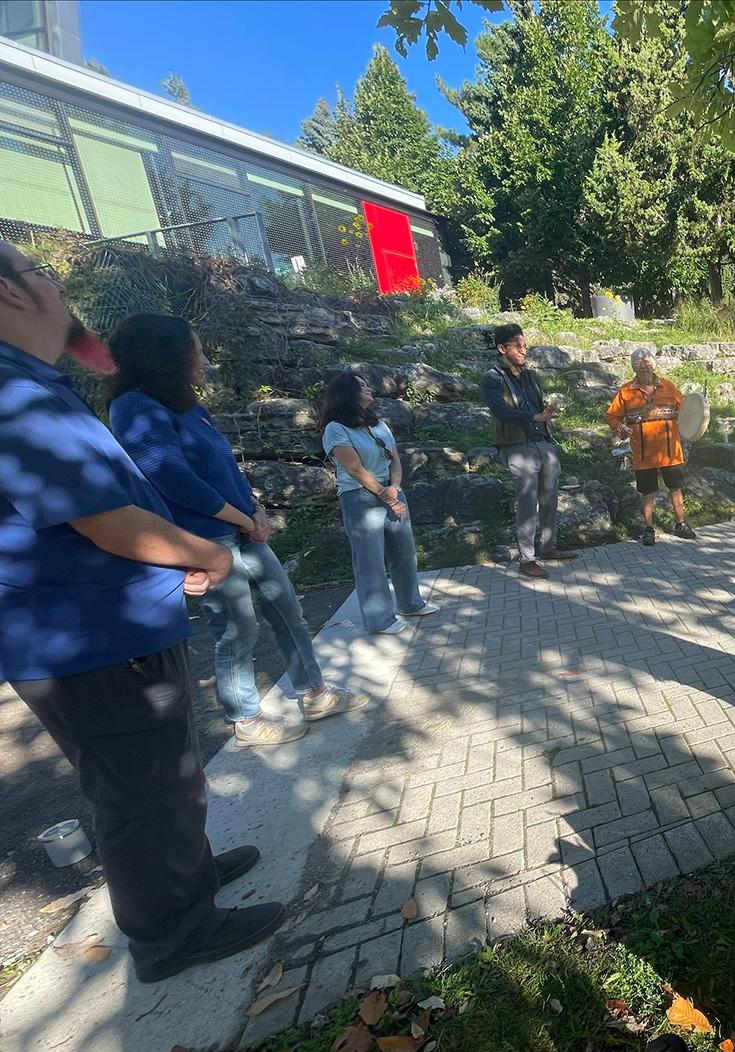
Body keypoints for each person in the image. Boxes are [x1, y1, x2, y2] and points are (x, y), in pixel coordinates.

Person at [0, 241, 285, 982]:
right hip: (89, 640)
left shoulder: (35, 384)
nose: (59, 287)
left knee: (168, 774)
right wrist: (206, 553)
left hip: (106, 629)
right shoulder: (16, 394)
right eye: (42, 274)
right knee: (139, 788)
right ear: (9, 297)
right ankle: (171, 932)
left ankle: (187, 878)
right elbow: (101, 516)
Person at [108, 313, 370, 748]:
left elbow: (224, 466)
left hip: (243, 528)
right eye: (195, 349)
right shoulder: (135, 406)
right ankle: (245, 719)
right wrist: (241, 518)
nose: (203, 358)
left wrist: (256, 508)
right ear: (165, 356)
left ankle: (315, 694)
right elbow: (170, 476)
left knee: (287, 608)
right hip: (205, 538)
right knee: (235, 627)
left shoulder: (186, 404)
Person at [318, 372, 436, 632]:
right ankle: (379, 620)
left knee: (404, 551)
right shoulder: (336, 428)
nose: (369, 388)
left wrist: (394, 487)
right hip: (359, 497)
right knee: (370, 559)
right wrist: (385, 494)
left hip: (391, 492)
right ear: (347, 393)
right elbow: (354, 468)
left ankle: (411, 603)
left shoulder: (378, 424)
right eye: (361, 386)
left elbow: (394, 458)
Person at [481, 323, 578, 578]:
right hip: (517, 446)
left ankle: (548, 547)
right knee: (527, 502)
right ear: (502, 348)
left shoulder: (530, 376)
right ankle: (527, 559)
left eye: (525, 345)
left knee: (549, 498)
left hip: (543, 442)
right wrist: (536, 416)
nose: (524, 351)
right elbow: (500, 412)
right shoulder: (492, 377)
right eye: (518, 346)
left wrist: (546, 416)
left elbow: (538, 408)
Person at [607, 347, 696, 545]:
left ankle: (680, 524)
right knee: (647, 492)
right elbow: (612, 416)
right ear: (633, 367)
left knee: (676, 487)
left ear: (654, 364)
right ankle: (648, 528)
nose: (644, 364)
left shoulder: (668, 386)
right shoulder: (626, 391)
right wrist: (621, 428)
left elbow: (687, 411)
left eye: (647, 360)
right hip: (643, 451)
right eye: (639, 361)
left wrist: (696, 423)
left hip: (670, 450)